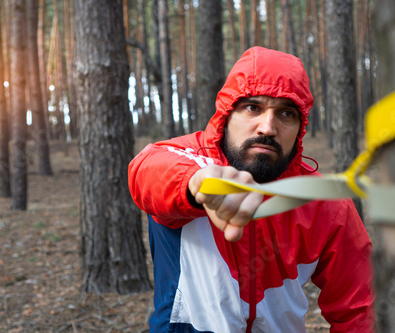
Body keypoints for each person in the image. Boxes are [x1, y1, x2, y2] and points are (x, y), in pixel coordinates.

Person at [128, 46, 374, 333]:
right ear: (227, 112)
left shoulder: (322, 202)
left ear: (300, 126)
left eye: (286, 113)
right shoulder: (184, 158)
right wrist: (197, 184)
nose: (267, 127)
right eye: (253, 108)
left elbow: (359, 308)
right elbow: (146, 173)